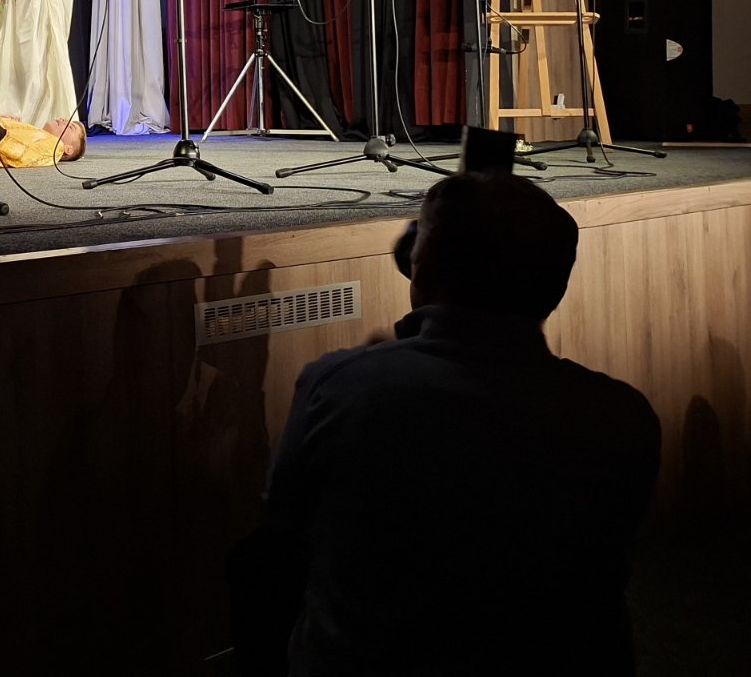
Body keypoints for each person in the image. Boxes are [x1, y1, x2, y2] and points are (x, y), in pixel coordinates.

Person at [259, 170, 661, 676]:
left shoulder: (339, 384)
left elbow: (285, 516)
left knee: (258, 564)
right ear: (555, 286)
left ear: (420, 270)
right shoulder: (625, 414)